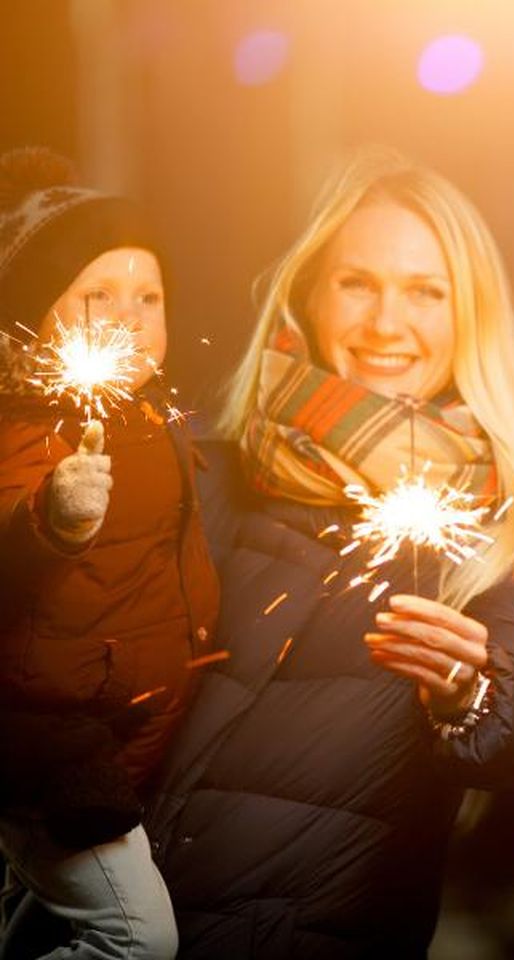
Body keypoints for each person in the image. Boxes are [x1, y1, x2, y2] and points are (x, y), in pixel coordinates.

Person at [140, 146, 514, 957]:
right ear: (309, 293)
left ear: (468, 315)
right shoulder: (200, 466)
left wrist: (465, 692)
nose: (385, 324)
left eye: (425, 293)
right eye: (357, 283)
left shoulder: (493, 521)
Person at [0, 147, 219, 958]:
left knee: (51, 918)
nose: (129, 315)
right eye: (98, 295)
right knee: (136, 939)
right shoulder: (25, 421)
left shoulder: (155, 418)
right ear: (36, 311)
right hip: (44, 743)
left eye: (148, 296)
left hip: (110, 731)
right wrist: (51, 518)